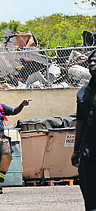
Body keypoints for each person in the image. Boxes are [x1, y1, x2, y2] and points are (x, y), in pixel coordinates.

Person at [72, 49, 96, 211]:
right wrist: (76, 150)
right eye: (90, 61)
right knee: (89, 194)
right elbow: (80, 122)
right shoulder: (82, 93)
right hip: (88, 152)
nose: (92, 64)